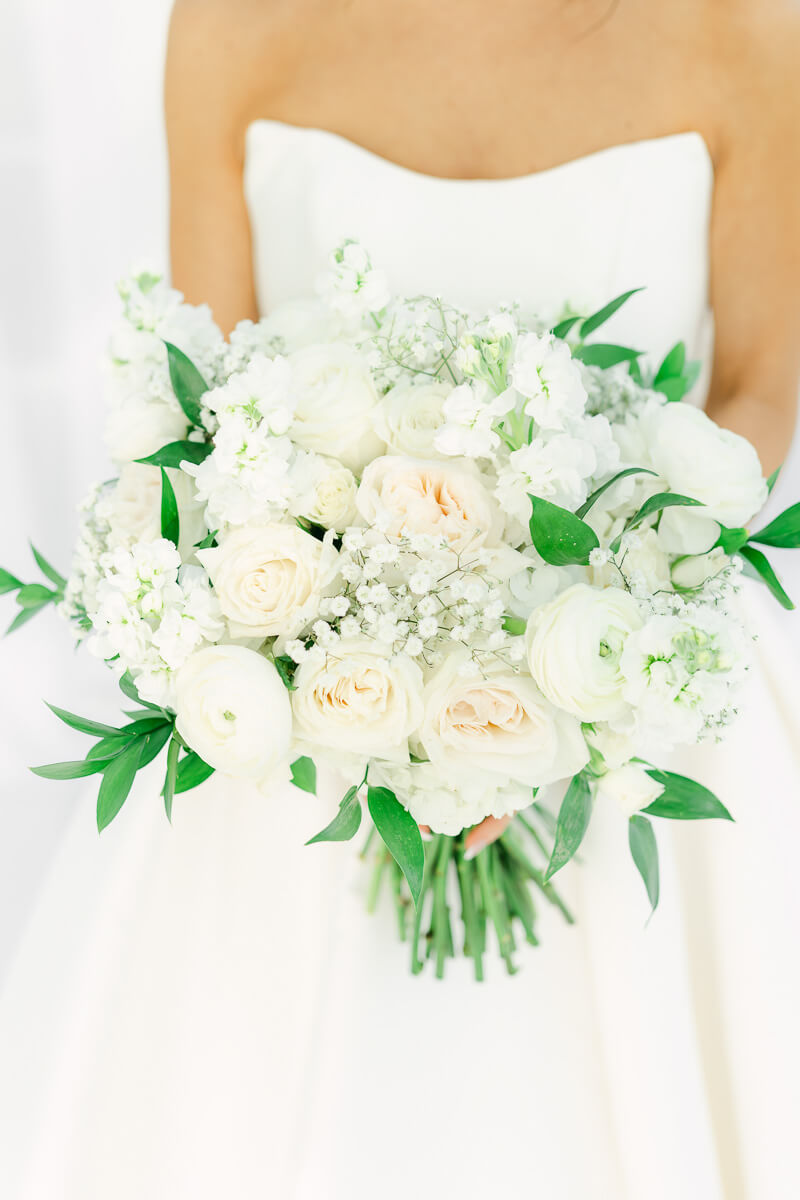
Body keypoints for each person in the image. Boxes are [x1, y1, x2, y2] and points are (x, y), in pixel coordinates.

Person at [2, 2, 800, 1196]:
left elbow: (758, 382)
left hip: (633, 692)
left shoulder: (745, 26)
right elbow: (208, 418)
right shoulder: (228, 26)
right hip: (306, 725)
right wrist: (371, 673)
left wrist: (566, 661)